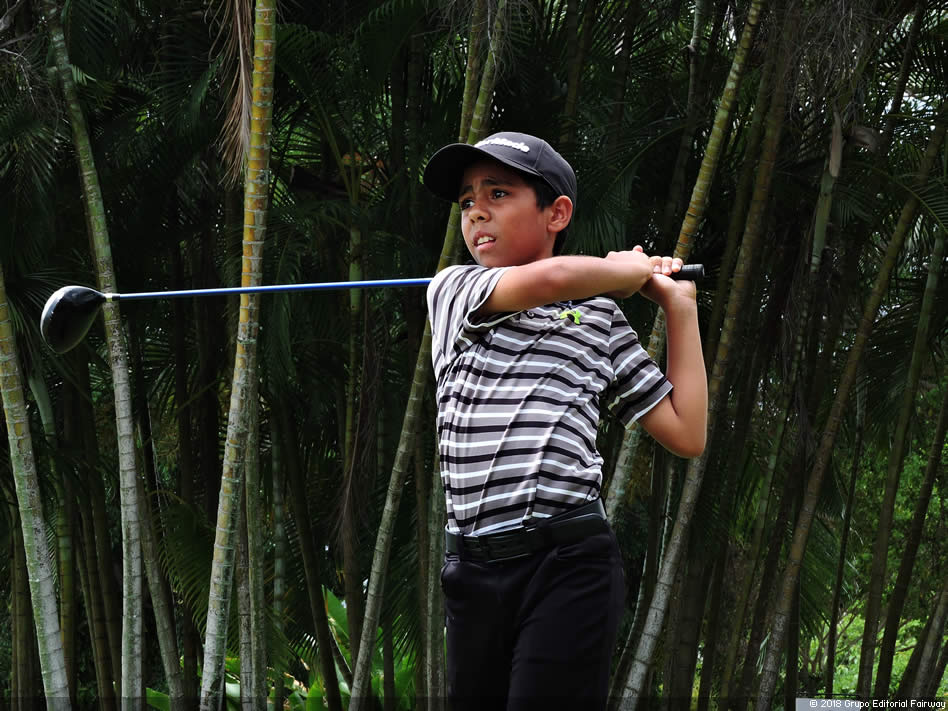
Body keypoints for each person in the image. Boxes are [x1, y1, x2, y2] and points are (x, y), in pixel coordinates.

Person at [422, 131, 708, 710]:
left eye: (498, 193)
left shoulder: (598, 316)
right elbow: (551, 281)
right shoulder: (453, 288)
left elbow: (686, 432)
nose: (476, 211)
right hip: (472, 570)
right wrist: (621, 269)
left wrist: (680, 310)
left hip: (569, 563)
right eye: (467, 200)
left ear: (556, 214)